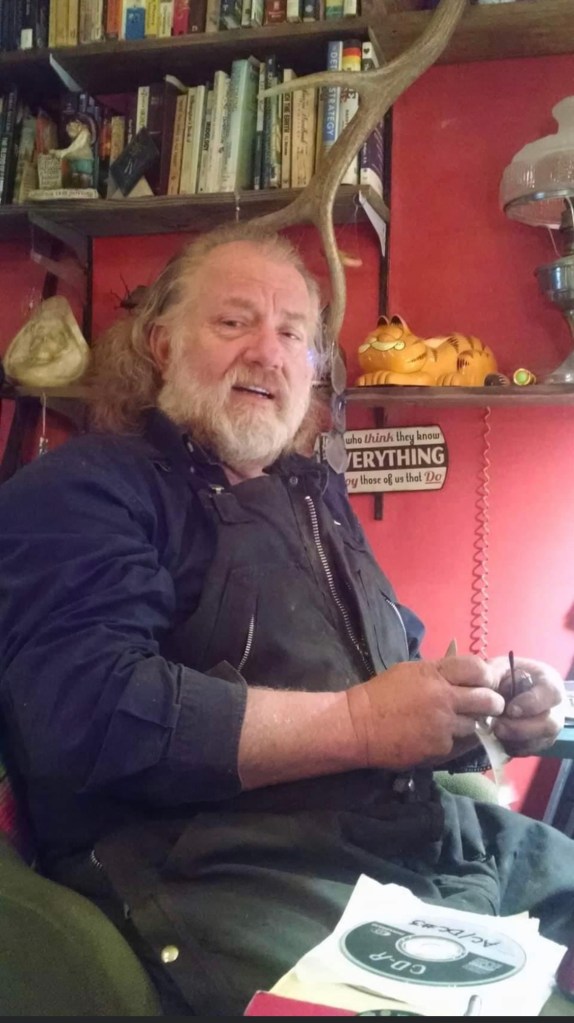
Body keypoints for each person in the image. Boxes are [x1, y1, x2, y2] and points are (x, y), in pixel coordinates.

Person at [0, 222, 571, 1016]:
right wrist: (358, 723)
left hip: (411, 839)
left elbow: (393, 671)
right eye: (234, 321)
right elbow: (89, 715)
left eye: (293, 334)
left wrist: (486, 714)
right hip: (222, 872)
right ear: (162, 345)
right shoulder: (84, 489)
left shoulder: (316, 496)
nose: (268, 352)